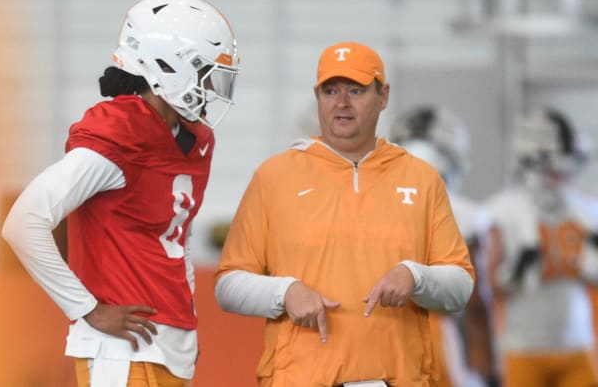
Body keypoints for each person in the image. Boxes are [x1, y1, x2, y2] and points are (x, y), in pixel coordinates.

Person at [2, 0, 239, 387]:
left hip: (167, 345)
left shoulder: (194, 139)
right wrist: (86, 308)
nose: (210, 86)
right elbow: (23, 223)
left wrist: (185, 322)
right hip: (123, 350)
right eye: (203, 73)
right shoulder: (120, 133)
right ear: (168, 67)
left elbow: (176, 239)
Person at [214, 41, 475, 387]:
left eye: (356, 90)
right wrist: (286, 291)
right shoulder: (274, 177)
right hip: (300, 379)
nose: (342, 103)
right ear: (317, 96)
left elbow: (460, 286)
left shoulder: (421, 178)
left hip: (399, 379)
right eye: (330, 90)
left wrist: (416, 277)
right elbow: (228, 284)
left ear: (383, 97)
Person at [486, 108, 598, 387]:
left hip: (577, 344)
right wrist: (516, 272)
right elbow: (486, 285)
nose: (565, 170)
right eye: (555, 163)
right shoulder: (502, 211)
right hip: (523, 346)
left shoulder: (586, 209)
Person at [389, 107, 500, 387]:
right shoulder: (466, 216)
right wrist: (487, 366)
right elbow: (475, 305)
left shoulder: (365, 207)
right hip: (436, 335)